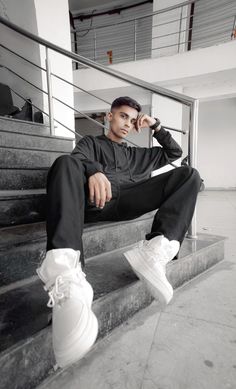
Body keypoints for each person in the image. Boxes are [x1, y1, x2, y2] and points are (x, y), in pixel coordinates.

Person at [37, 96, 201, 368]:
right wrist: (93, 171)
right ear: (109, 117)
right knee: (65, 163)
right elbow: (77, 157)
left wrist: (155, 126)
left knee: (189, 175)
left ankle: (156, 251)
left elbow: (174, 153)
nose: (127, 123)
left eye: (132, 119)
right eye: (123, 116)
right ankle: (67, 277)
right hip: (94, 201)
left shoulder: (139, 155)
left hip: (128, 200)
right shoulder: (91, 143)